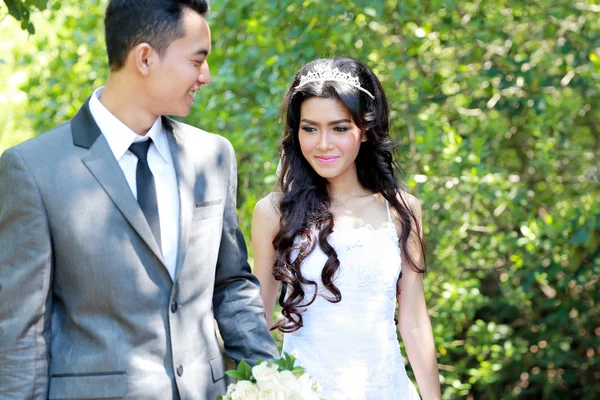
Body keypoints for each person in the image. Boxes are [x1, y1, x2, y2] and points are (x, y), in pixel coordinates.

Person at [0, 1, 278, 398]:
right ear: (145, 58)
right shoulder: (33, 170)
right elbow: (21, 334)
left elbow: (231, 286)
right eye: (197, 60)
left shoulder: (213, 157)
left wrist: (276, 383)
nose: (207, 76)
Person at [252, 56, 441, 400]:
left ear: (365, 131)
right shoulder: (273, 212)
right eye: (310, 128)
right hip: (303, 391)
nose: (323, 144)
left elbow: (413, 320)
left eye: (339, 128)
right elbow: (258, 320)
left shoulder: (401, 210)